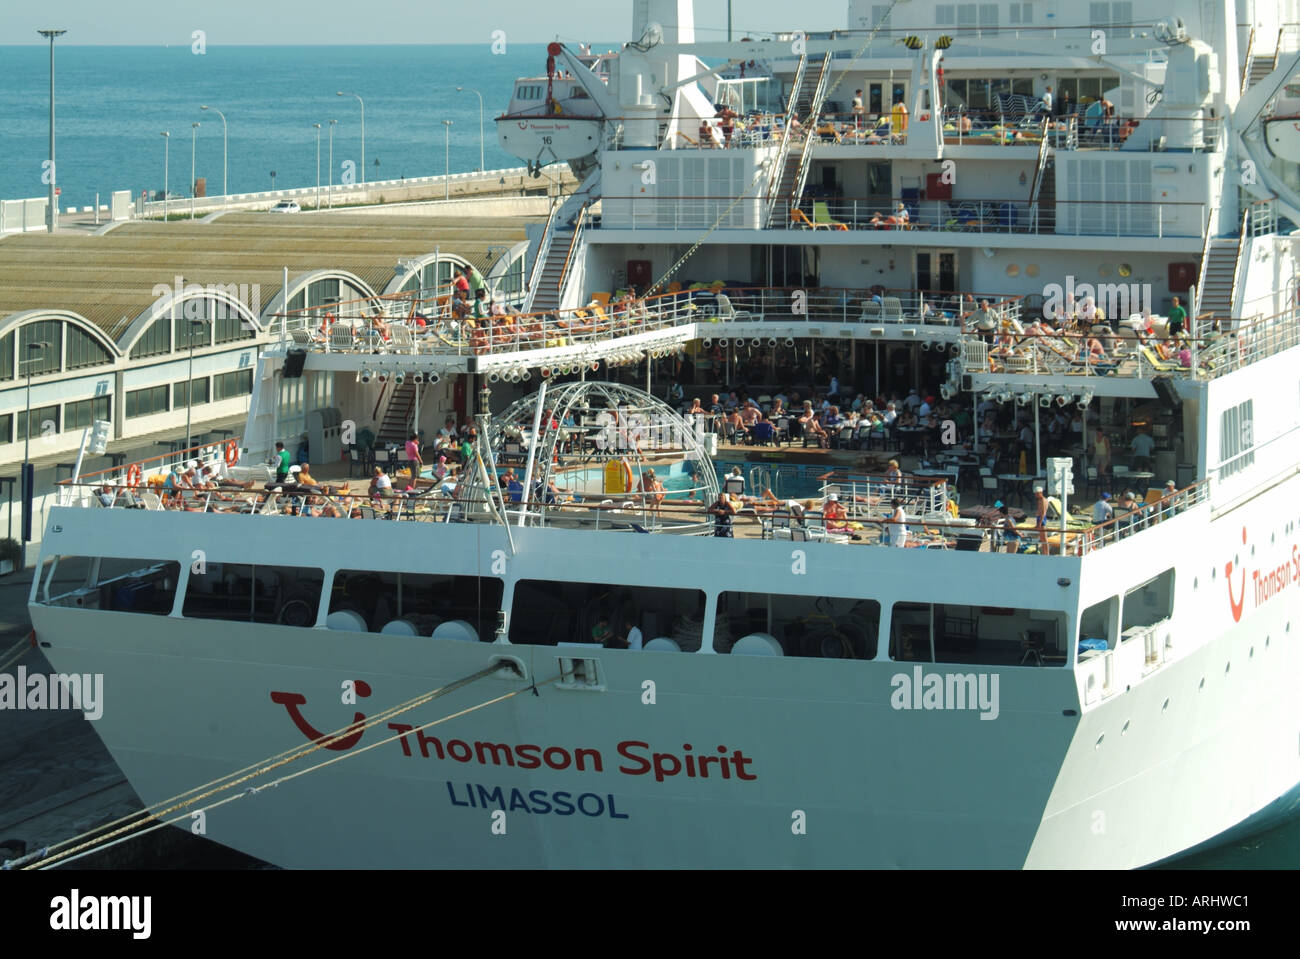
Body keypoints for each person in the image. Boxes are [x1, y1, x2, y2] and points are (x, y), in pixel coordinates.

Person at [1034, 486, 1049, 551]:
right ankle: (1044, 553)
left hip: (1042, 519)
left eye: (1036, 494)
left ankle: (1047, 554)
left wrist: (1039, 523)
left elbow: (1043, 513)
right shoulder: (1039, 500)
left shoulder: (1043, 500)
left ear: (1040, 493)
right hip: (1039, 518)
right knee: (1042, 538)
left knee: (1044, 539)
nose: (1035, 495)